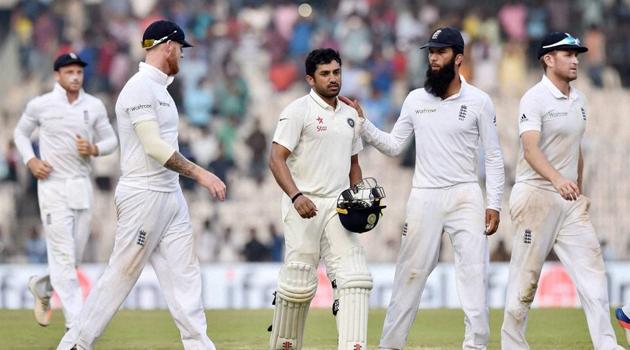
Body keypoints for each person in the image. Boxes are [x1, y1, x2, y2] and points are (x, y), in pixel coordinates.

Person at [57, 20, 226, 350]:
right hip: (143, 193)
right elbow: (153, 146)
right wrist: (202, 174)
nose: (181, 56)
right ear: (167, 47)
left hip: (169, 193)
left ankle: (200, 346)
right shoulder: (138, 88)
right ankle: (75, 344)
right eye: (179, 49)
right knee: (122, 274)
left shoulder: (161, 91)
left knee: (185, 275)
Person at [347, 27, 505, 349]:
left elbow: (494, 156)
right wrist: (364, 125)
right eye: (431, 52)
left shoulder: (479, 101)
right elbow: (393, 146)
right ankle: (390, 346)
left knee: (474, 277)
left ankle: (475, 346)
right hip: (425, 196)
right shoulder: (416, 99)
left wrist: (495, 203)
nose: (433, 58)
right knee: (409, 277)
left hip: (465, 194)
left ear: (458, 58)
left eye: (441, 52)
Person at [500, 32, 624, 350]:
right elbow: (530, 149)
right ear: (548, 59)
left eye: (576, 54)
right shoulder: (534, 98)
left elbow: (576, 148)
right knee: (524, 285)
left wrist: (578, 187)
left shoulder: (579, 99)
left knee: (594, 277)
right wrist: (557, 180)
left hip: (568, 202)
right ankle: (513, 345)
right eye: (567, 54)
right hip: (535, 195)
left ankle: (607, 345)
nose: (575, 59)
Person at [268, 48, 372, 350]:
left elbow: (354, 164)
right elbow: (276, 159)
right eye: (325, 74)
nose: (333, 79)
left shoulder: (351, 114)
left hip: (339, 206)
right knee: (298, 282)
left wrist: (359, 198)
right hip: (304, 205)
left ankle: (353, 346)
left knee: (355, 280)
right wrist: (295, 195)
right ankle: (285, 346)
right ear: (310, 79)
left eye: (336, 72)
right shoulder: (297, 111)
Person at [13, 52, 118, 330]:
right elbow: (20, 134)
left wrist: (95, 148)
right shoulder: (41, 105)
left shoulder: (93, 106)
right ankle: (77, 327)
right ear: (57, 75)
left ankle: (42, 285)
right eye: (69, 72)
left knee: (73, 260)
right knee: (63, 257)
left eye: (79, 72)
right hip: (53, 187)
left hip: (82, 186)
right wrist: (31, 160)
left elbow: (111, 139)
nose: (75, 77)